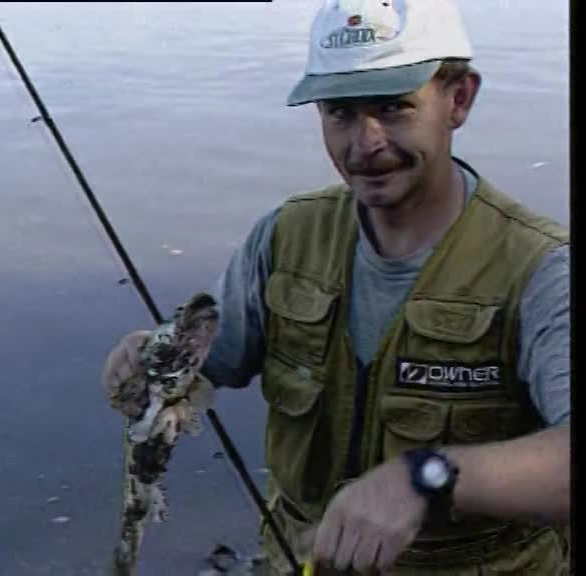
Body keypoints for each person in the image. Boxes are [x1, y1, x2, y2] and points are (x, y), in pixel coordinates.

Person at [102, 0, 571, 573]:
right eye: (340, 112)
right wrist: (146, 364)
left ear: (459, 99)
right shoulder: (286, 238)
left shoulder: (541, 268)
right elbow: (202, 363)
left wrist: (428, 477)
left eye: (394, 107)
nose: (364, 143)